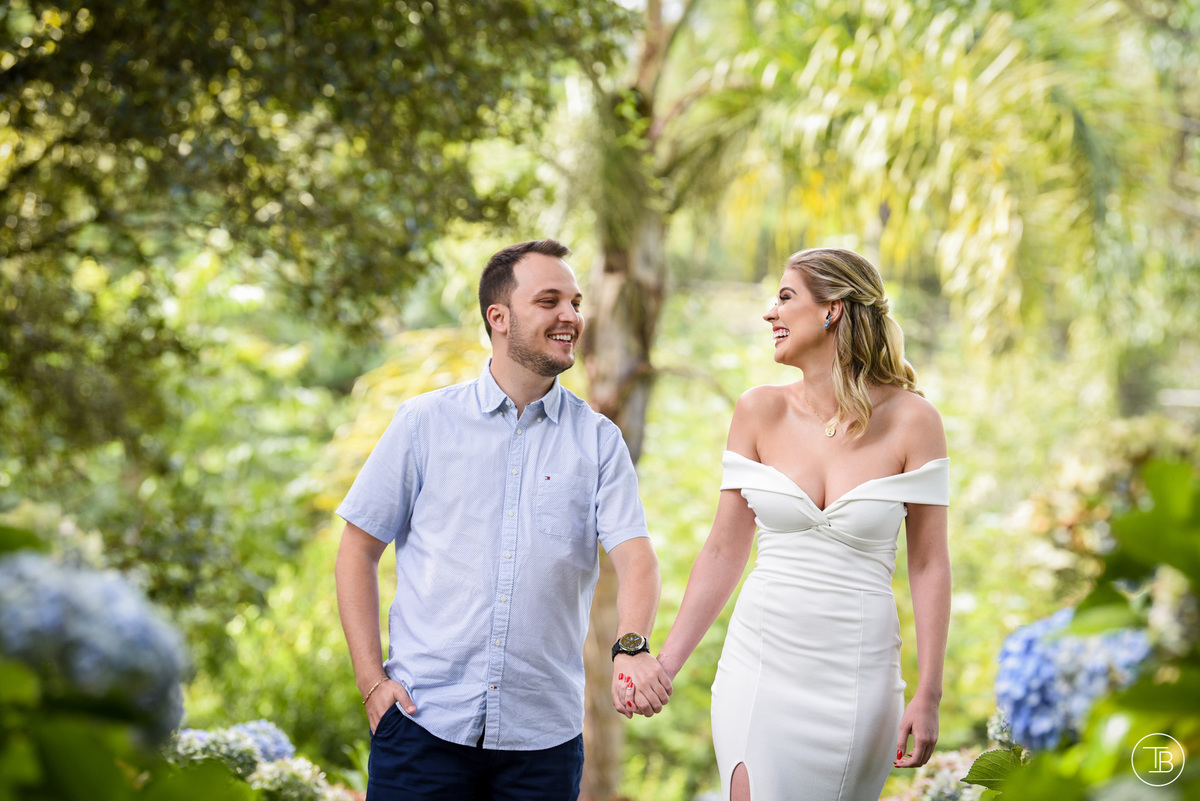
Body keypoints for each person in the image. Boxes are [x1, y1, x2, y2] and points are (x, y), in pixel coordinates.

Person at [334, 238, 672, 801]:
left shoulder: (598, 441)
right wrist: (372, 684)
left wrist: (632, 647)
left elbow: (636, 558)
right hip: (422, 727)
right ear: (499, 317)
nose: (571, 316)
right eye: (549, 301)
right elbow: (357, 550)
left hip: (543, 746)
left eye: (575, 302)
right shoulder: (424, 424)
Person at [655, 247, 951, 801]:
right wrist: (665, 665)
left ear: (831, 310)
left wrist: (929, 693)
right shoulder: (757, 411)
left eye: (786, 297)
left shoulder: (915, 421)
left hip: (856, 677)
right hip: (758, 662)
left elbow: (930, 563)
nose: (770, 313)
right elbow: (723, 550)